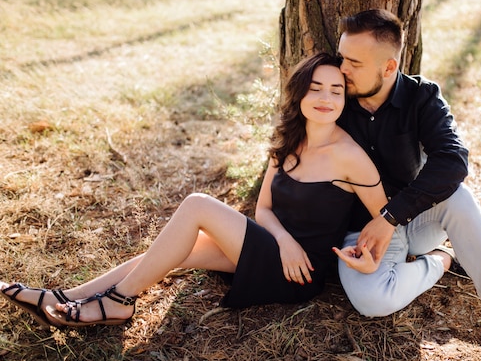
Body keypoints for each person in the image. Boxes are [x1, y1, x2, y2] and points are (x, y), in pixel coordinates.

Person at [0, 53, 389, 328]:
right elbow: (264, 209)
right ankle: (65, 296)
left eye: (336, 91)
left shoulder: (349, 156)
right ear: (300, 92)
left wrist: (373, 260)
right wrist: (284, 239)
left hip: (300, 272)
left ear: (345, 98)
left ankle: (118, 303)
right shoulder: (289, 138)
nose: (325, 99)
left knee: (198, 206)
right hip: (272, 247)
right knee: (169, 252)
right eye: (316, 88)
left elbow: (385, 217)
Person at [334, 9, 481, 361]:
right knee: (371, 303)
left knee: (458, 197)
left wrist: (391, 216)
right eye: (342, 56)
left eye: (353, 62)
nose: (341, 68)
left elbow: (453, 160)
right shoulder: (334, 96)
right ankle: (443, 260)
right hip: (363, 229)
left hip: (412, 218)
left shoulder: (422, 96)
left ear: (389, 66)